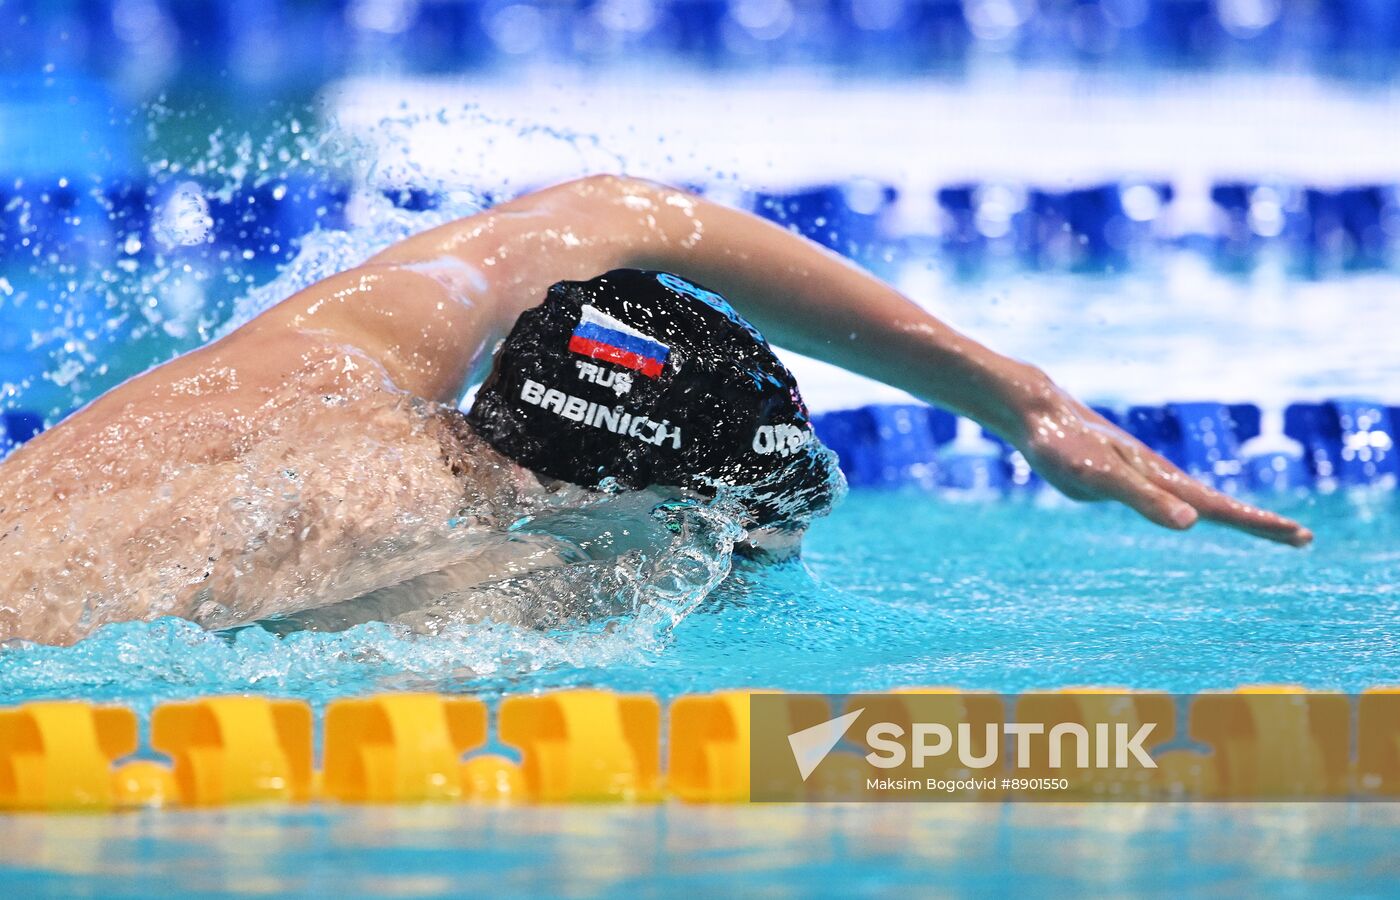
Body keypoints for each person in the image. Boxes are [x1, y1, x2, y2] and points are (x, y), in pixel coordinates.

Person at [0, 175, 1311, 646]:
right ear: (608, 503)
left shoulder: (369, 341)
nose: (706, 585)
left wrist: (1017, 399)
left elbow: (624, 211)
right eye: (711, 557)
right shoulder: (367, 530)